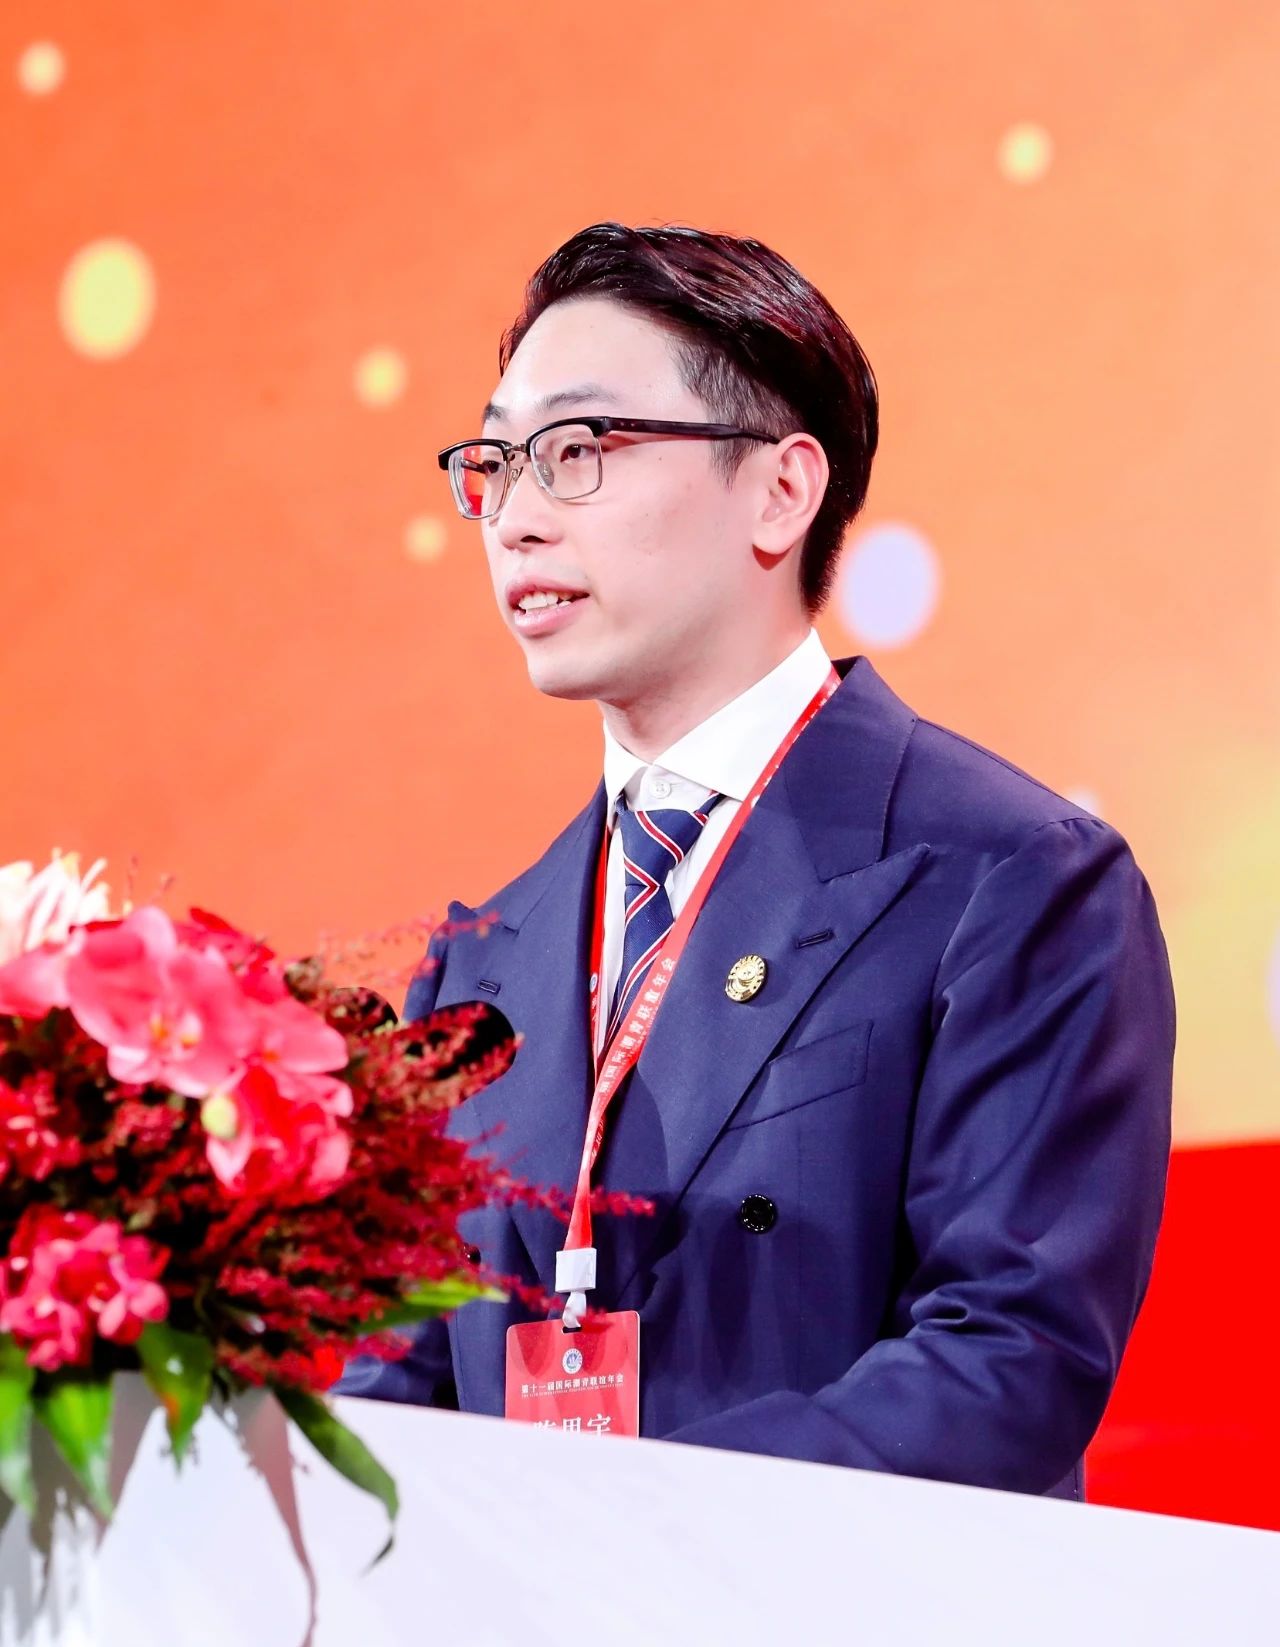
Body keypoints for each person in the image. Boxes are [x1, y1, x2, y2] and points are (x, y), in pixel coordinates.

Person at [337, 221, 1175, 1501]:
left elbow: (1006, 1362)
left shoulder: (1013, 881)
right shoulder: (474, 972)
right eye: (494, 463)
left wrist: (629, 1530)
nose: (513, 517)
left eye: (575, 451)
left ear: (780, 491)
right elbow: (399, 1398)